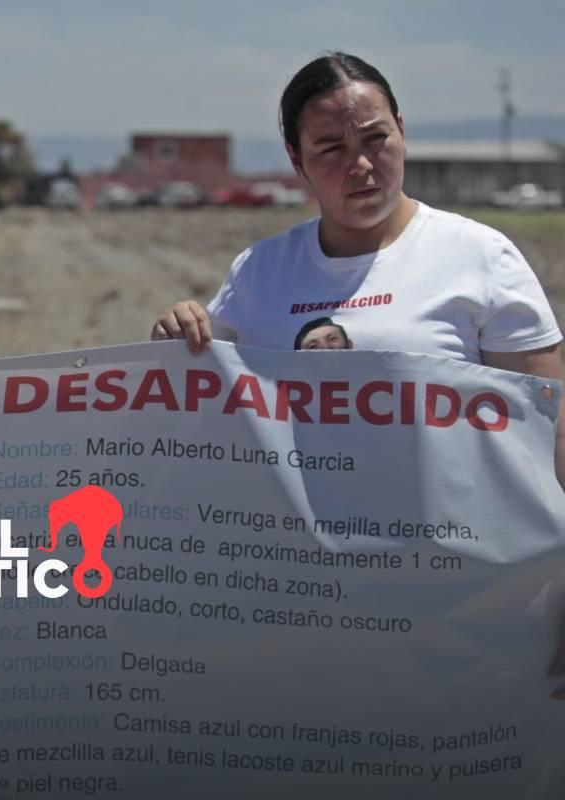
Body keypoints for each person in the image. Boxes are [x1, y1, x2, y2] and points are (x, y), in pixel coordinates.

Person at [150, 50, 565, 696]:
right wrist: (178, 334)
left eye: (376, 138)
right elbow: (205, 426)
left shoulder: (480, 258)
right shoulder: (260, 274)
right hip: (307, 618)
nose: (362, 164)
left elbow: (553, 432)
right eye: (331, 148)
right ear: (296, 162)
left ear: (402, 129)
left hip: (471, 615)